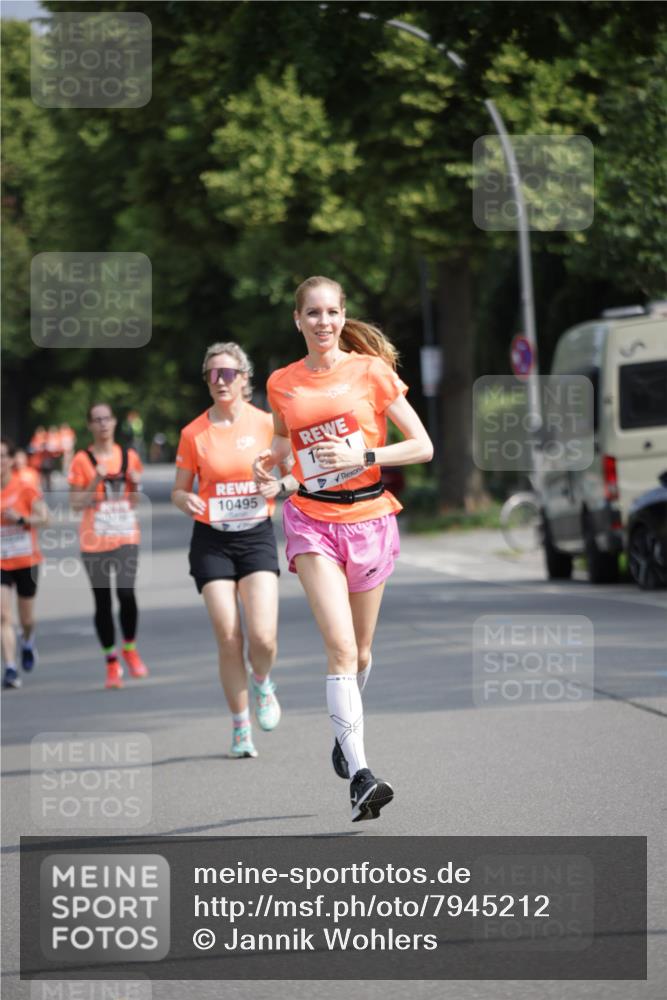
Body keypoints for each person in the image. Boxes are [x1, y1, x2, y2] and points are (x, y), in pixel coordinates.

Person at [254, 275, 433, 822]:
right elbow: (284, 441)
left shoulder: (371, 372)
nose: (323, 321)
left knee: (361, 652)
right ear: (298, 319)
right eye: (313, 313)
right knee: (339, 648)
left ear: (342, 315)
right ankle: (360, 775)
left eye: (331, 312)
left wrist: (365, 457)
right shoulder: (282, 382)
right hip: (311, 519)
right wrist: (273, 464)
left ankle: (344, 731)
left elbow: (423, 446)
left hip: (371, 519)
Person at [172, 342, 295, 758]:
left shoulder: (267, 423)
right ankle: (241, 727)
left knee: (263, 637)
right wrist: (184, 499)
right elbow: (178, 489)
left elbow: (292, 472)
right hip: (212, 540)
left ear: (244, 378)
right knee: (228, 636)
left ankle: (262, 681)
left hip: (255, 535)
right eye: (212, 374)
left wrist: (277, 485)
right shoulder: (193, 433)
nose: (220, 381)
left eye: (228, 373)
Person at [68, 403, 149, 689]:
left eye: (107, 418)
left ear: (114, 422)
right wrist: (96, 479)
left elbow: (133, 501)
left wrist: (135, 485)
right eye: (97, 420)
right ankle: (111, 662)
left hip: (126, 535)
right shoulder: (82, 460)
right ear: (90, 425)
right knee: (102, 602)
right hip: (95, 541)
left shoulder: (129, 456)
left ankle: (130, 648)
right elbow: (75, 504)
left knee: (126, 593)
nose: (103, 424)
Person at [1, 437, 49, 689]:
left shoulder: (25, 487)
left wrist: (21, 519)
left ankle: (28, 641)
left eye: (2, 456)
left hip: (26, 559)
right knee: (2, 615)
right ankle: (10, 668)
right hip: (1, 561)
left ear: (11, 460)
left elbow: (45, 519)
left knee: (26, 619)